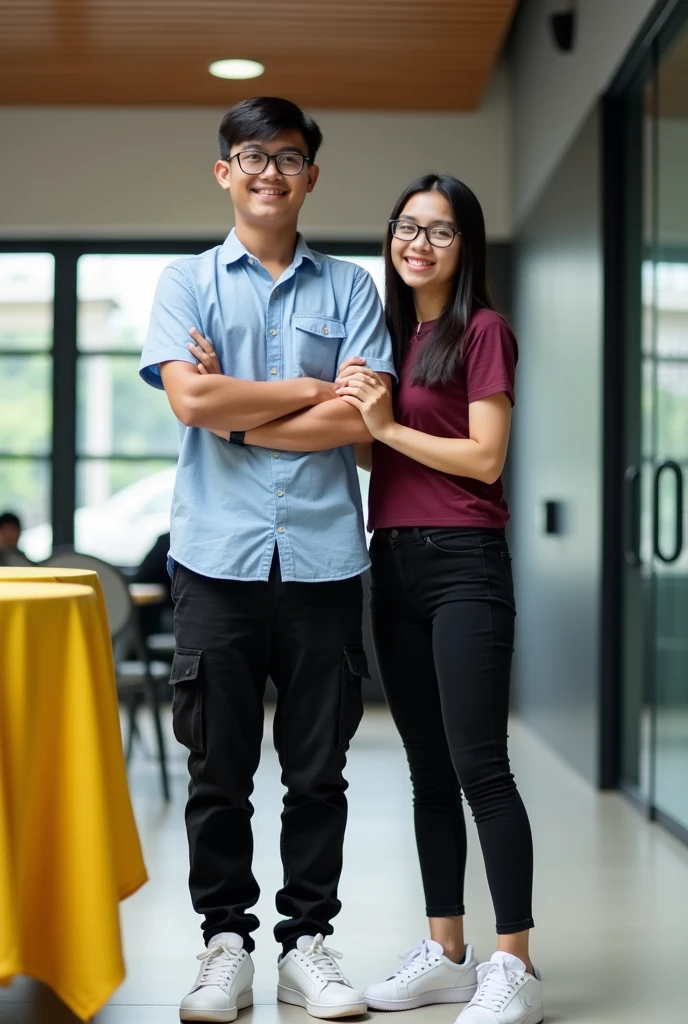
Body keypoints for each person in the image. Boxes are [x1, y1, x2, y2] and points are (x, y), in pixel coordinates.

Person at [139, 96, 395, 1023]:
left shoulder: (353, 291)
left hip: (325, 561)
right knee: (218, 768)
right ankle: (225, 946)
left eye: (288, 158)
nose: (269, 173)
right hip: (216, 559)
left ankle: (307, 947)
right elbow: (189, 405)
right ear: (224, 173)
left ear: (311, 177)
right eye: (252, 156)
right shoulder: (187, 283)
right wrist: (302, 391)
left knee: (318, 771)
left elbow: (358, 423)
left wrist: (237, 406)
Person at [333, 175, 543, 1024]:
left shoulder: (482, 331)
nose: (419, 241)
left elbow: (486, 458)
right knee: (426, 773)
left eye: (441, 230)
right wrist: (358, 422)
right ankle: (447, 950)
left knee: (479, 766)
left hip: (466, 564)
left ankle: (514, 965)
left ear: (467, 246)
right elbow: (379, 460)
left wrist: (382, 429)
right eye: (407, 226)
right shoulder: (387, 335)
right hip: (395, 565)